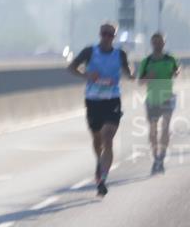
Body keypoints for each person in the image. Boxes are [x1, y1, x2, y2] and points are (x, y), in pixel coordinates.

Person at [67, 22, 134, 196]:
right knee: (97, 138)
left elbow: (128, 73)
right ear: (99, 34)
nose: (106, 37)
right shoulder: (90, 51)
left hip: (112, 100)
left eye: (110, 34)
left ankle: (103, 179)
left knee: (108, 137)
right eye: (104, 33)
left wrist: (133, 74)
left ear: (114, 37)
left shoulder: (120, 54)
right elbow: (71, 67)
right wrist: (86, 75)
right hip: (93, 100)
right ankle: (99, 161)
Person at [138, 32, 181, 174]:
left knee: (165, 128)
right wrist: (148, 78)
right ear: (152, 43)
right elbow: (140, 82)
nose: (158, 44)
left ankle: (161, 158)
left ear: (164, 43)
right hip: (152, 100)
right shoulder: (147, 61)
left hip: (167, 97)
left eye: (160, 42)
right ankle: (156, 157)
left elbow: (177, 70)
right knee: (153, 131)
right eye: (155, 42)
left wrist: (176, 73)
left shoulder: (171, 59)